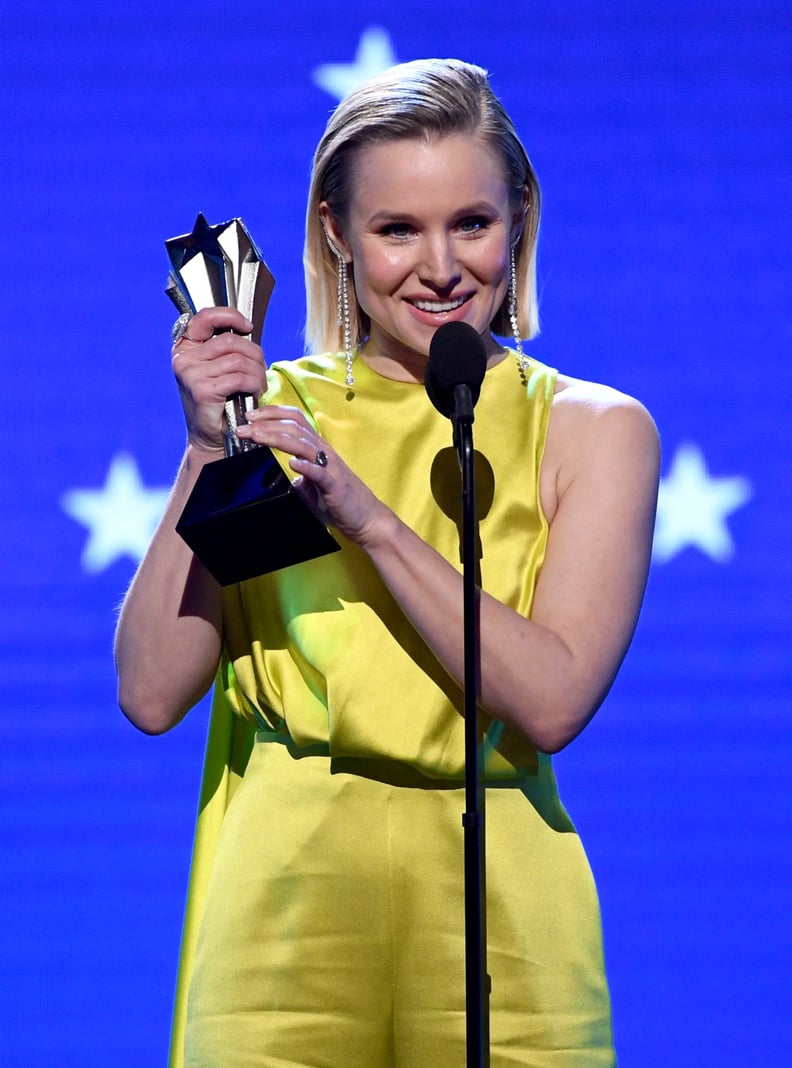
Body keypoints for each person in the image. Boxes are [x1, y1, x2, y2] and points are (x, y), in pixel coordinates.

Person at [115, 58, 659, 1067]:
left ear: (522, 217)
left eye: (472, 223)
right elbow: (151, 692)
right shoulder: (274, 416)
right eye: (397, 229)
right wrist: (206, 449)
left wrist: (368, 522)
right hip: (284, 909)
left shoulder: (593, 428)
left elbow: (551, 703)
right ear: (335, 232)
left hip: (501, 901)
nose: (441, 268)